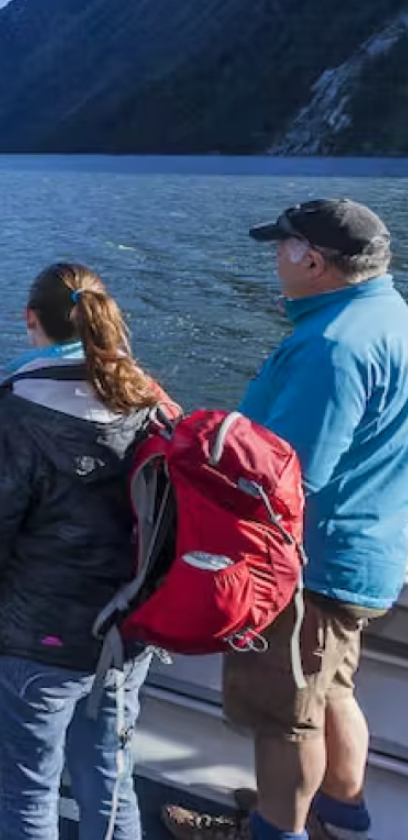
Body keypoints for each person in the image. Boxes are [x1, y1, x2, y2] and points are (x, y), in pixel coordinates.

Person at [164, 199, 408, 840]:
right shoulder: (387, 314)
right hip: (366, 548)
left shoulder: (332, 347)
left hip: (309, 564)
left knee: (286, 715)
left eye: (283, 246)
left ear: (313, 259)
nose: (275, 257)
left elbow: (286, 478)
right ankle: (340, 822)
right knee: (331, 690)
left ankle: (274, 831)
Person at [0, 263, 168, 840]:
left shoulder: (14, 418)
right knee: (111, 783)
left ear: (30, 321)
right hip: (124, 632)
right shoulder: (150, 406)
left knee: (29, 791)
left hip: (35, 637)